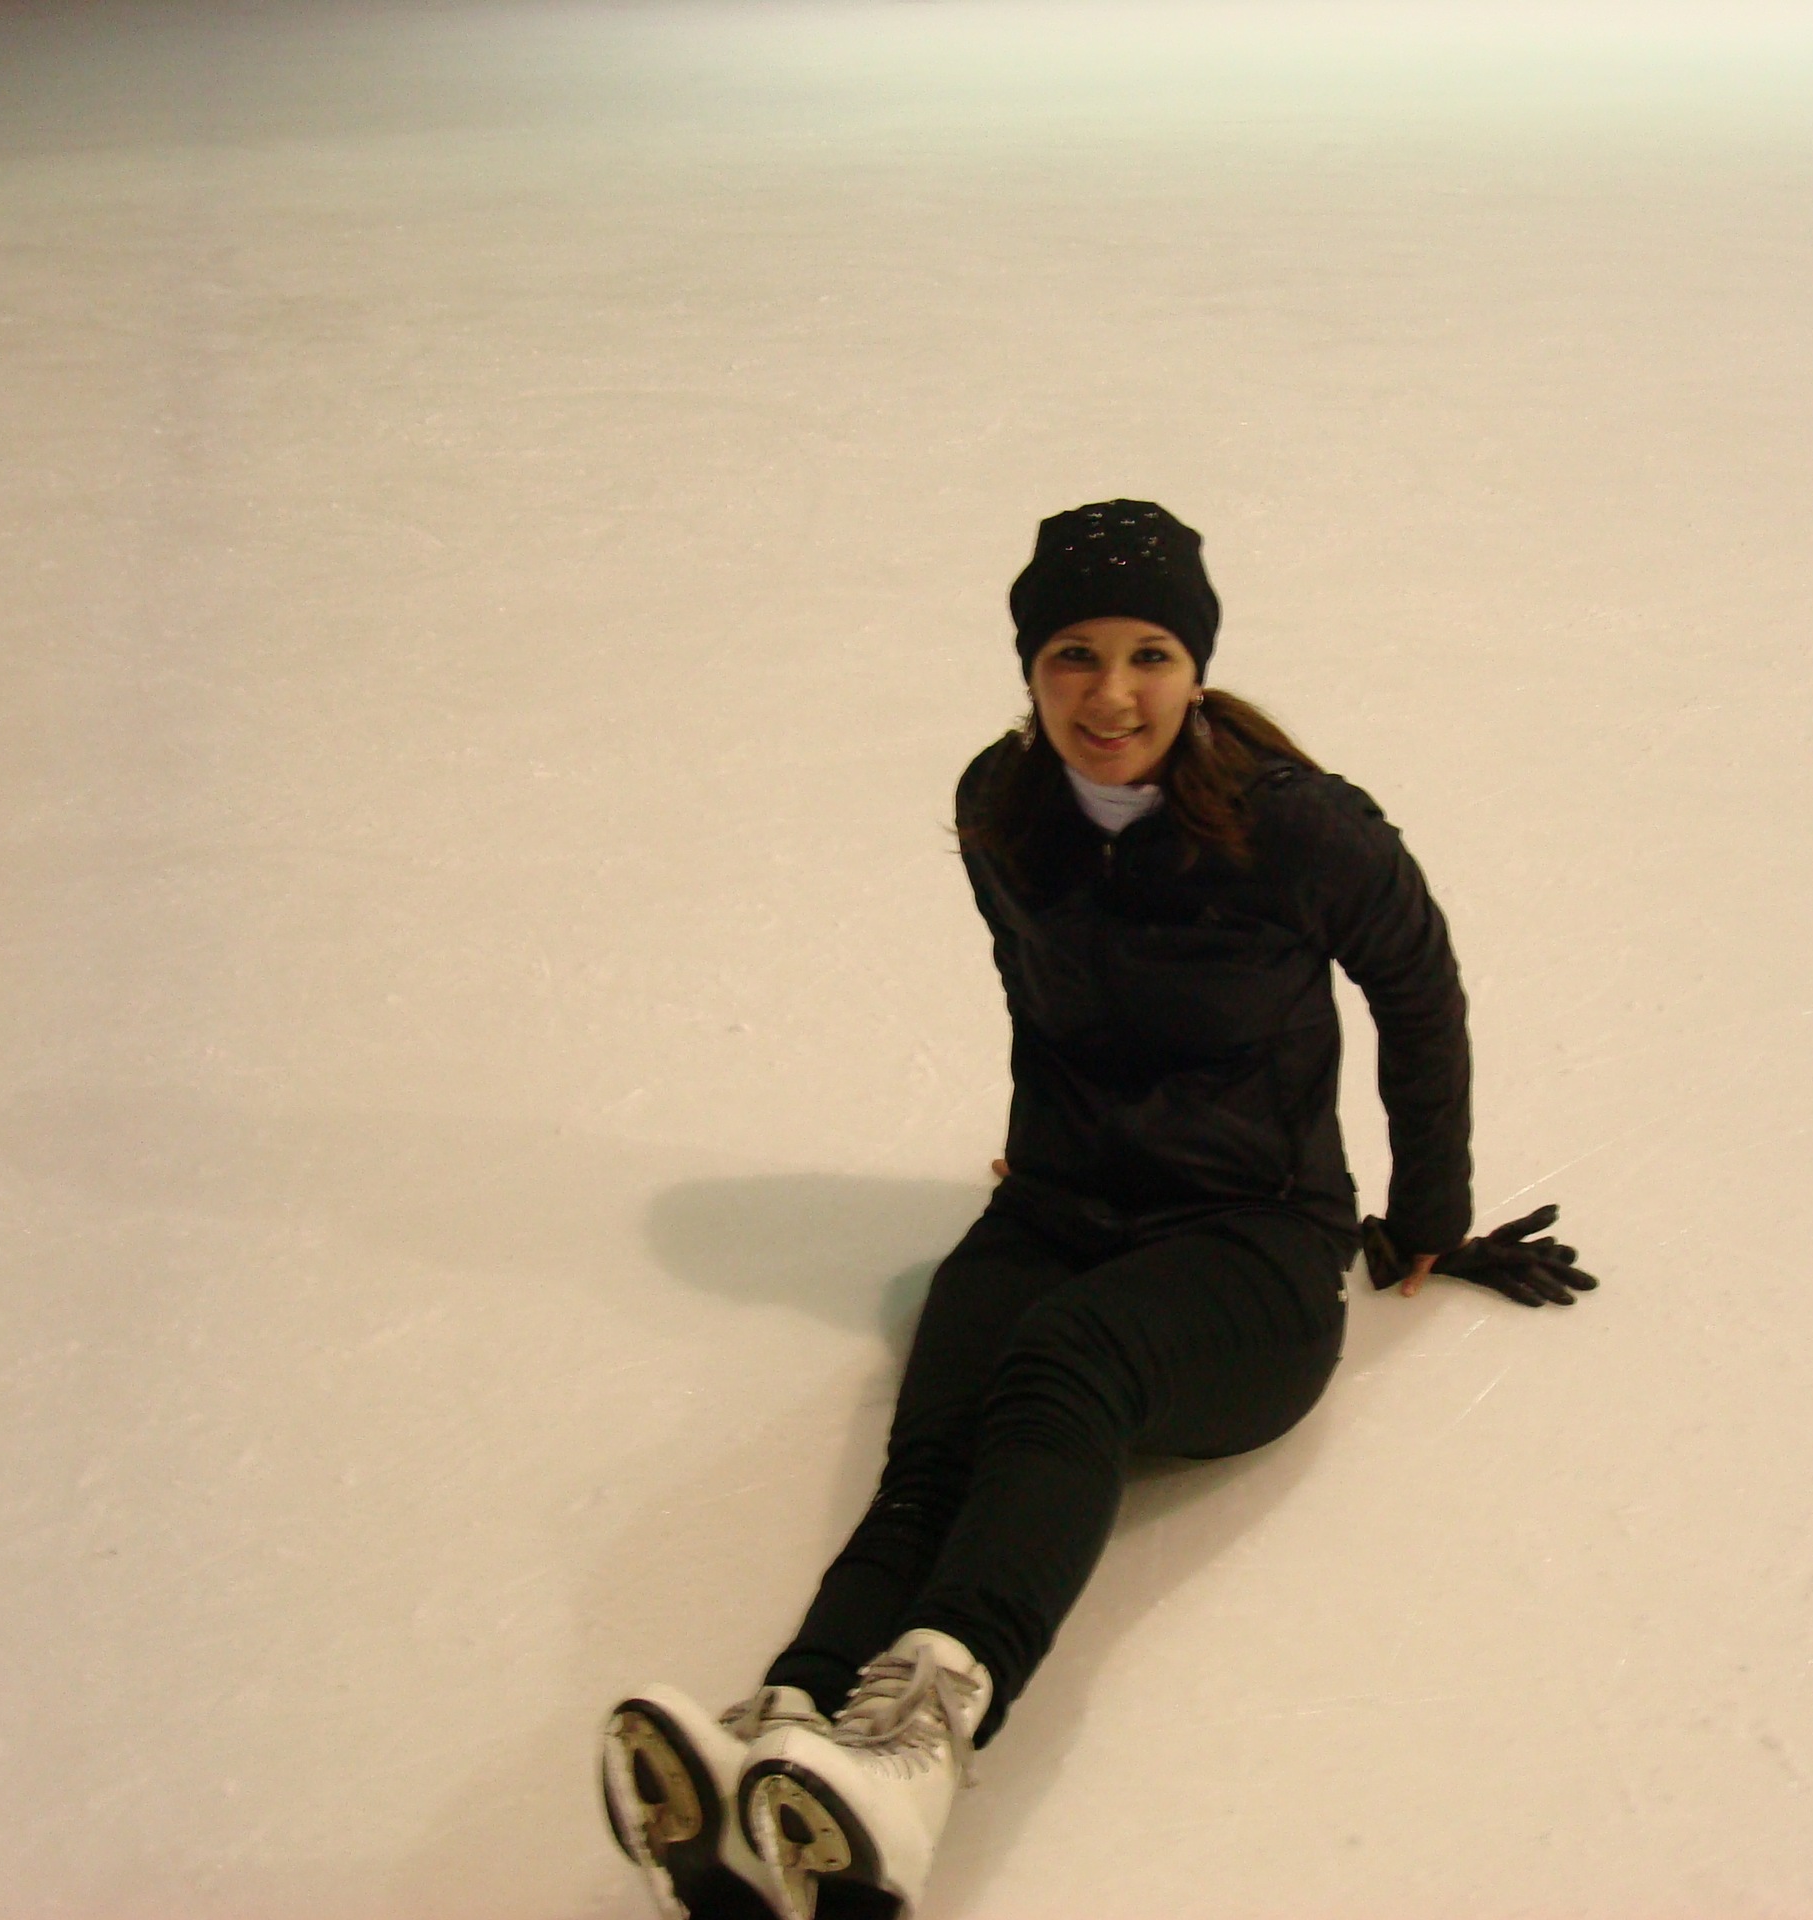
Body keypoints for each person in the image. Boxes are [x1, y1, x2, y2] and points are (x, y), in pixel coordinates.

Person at [600, 500, 1585, 1920]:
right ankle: (787, 1727)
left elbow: (1418, 990)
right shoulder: (1001, 809)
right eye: (1074, 655)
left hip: (1252, 1242)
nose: (1110, 696)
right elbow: (1037, 989)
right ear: (1028, 666)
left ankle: (914, 1767)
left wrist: (1429, 1209)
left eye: (1148, 656)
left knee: (1066, 1367)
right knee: (938, 1449)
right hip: (1064, 1203)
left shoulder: (1300, 831)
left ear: (1195, 668)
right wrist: (1036, 1148)